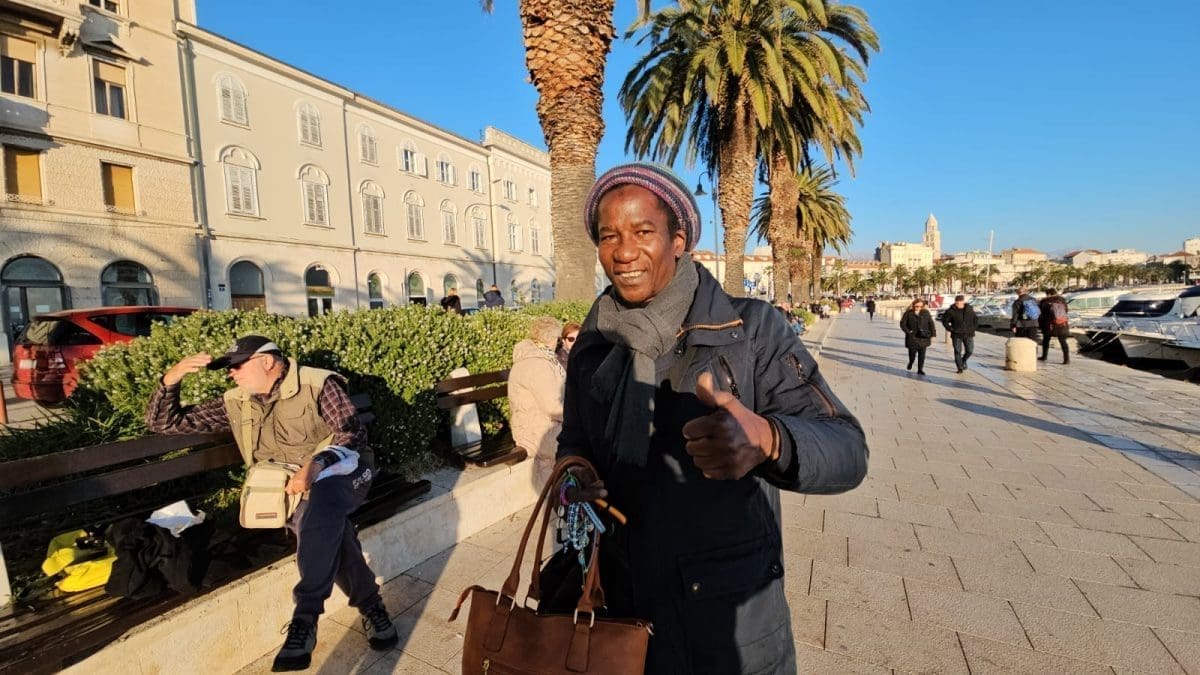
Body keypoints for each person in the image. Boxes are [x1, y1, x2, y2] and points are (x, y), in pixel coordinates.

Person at [557, 163, 868, 673]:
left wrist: (769, 440)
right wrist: (576, 472)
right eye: (609, 235)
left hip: (727, 629)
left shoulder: (751, 329)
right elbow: (574, 440)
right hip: (618, 615)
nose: (624, 251)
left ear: (679, 241)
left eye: (643, 232)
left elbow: (847, 448)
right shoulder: (594, 343)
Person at [144, 336, 398, 671]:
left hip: (344, 471)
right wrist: (170, 379)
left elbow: (352, 436)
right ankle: (370, 606)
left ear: (266, 361)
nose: (231, 374)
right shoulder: (237, 401)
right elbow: (164, 423)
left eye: (237, 366)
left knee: (321, 503)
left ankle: (305, 617)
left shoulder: (316, 384)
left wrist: (317, 464)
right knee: (323, 524)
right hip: (286, 491)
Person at [509, 317, 567, 487]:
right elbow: (553, 407)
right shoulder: (536, 364)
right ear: (552, 338)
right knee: (583, 445)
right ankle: (560, 501)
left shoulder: (542, 358)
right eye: (559, 339)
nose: (560, 343)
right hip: (535, 430)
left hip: (543, 425)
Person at [940, 294, 978, 373]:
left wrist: (973, 328)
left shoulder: (969, 309)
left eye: (960, 302)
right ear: (955, 302)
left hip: (968, 333)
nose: (959, 304)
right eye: (957, 303)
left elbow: (975, 319)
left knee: (970, 350)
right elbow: (944, 321)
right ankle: (960, 367)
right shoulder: (950, 311)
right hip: (956, 334)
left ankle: (963, 361)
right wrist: (950, 329)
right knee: (957, 351)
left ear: (963, 302)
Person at [900, 298, 936, 375]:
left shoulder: (926, 312)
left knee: (922, 355)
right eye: (917, 306)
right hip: (912, 337)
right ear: (913, 305)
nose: (919, 308)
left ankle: (920, 369)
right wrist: (908, 331)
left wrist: (933, 334)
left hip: (923, 337)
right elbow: (902, 324)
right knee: (912, 354)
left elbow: (931, 323)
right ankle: (911, 362)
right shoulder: (908, 313)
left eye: (921, 306)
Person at [1038, 288, 1071, 364]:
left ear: (1048, 294)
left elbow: (1042, 314)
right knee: (1063, 342)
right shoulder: (1062, 299)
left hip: (1049, 325)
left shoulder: (1044, 301)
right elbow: (1066, 310)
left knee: (1046, 340)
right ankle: (1066, 359)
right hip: (1062, 324)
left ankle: (1044, 356)